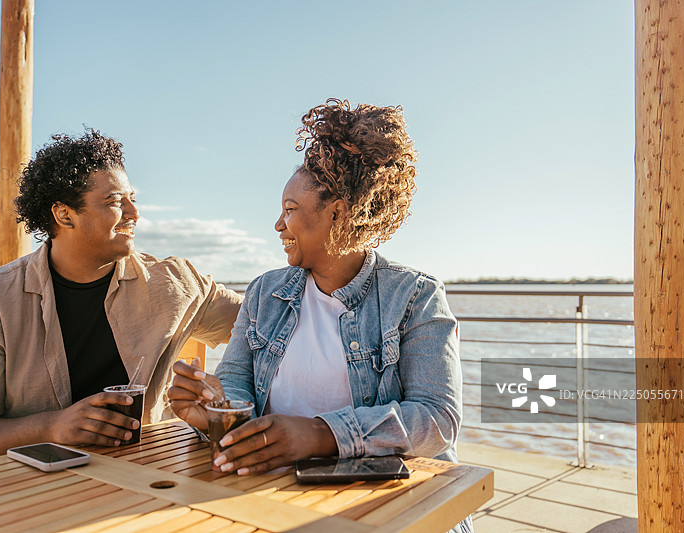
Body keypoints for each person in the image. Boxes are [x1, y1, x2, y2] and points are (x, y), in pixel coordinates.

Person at [169, 100, 470, 532]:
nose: (277, 224)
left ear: (338, 213)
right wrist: (216, 411)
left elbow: (437, 420)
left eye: (290, 209)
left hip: (394, 506)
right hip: (277, 500)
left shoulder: (415, 296)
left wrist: (320, 434)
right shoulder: (264, 293)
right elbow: (234, 382)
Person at [0, 130, 242, 465]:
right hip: (31, 493)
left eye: (131, 198)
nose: (134, 214)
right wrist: (51, 427)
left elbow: (266, 325)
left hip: (151, 480)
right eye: (114, 202)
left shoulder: (175, 283)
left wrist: (227, 396)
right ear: (64, 215)